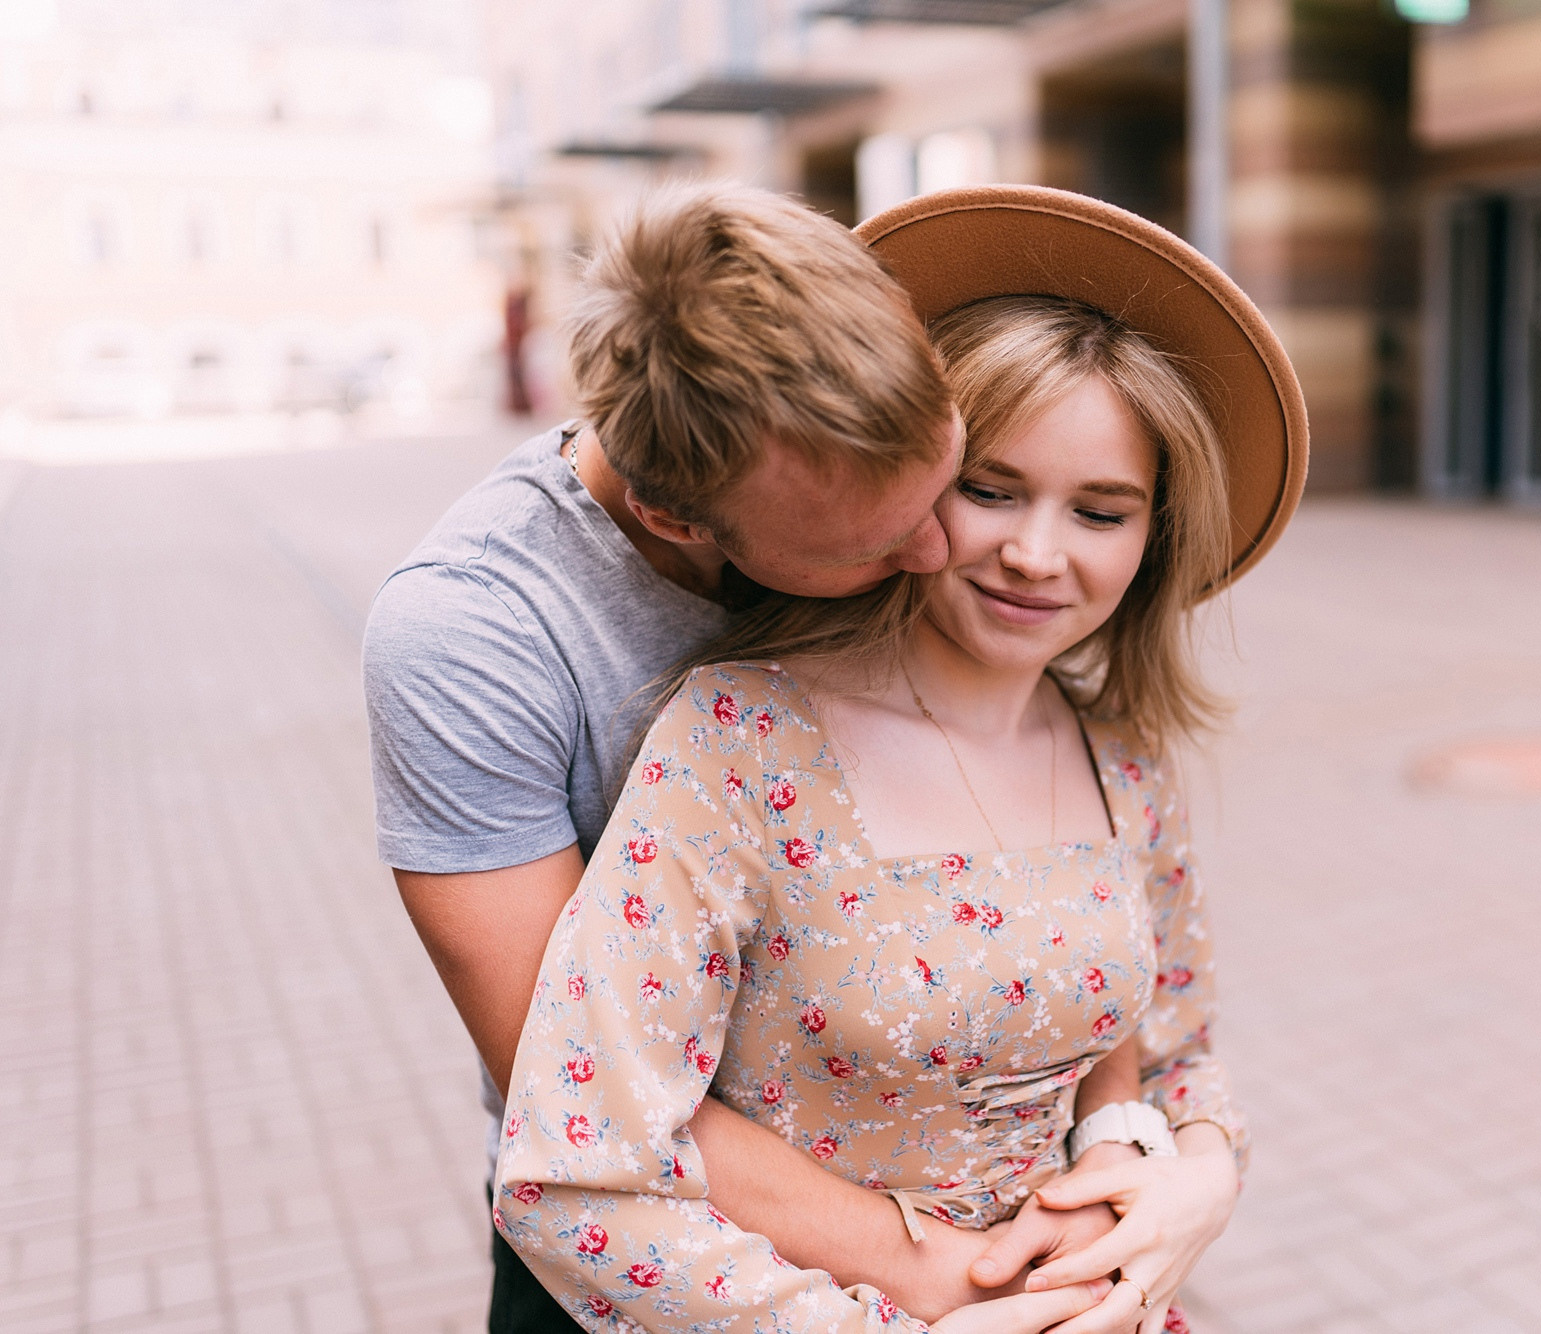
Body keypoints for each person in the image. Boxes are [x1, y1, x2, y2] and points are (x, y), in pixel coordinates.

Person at [492, 187, 1310, 1333]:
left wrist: (1196, 1177)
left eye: (1099, 511)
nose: (1034, 554)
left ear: (1154, 533)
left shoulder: (1121, 756)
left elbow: (1178, 1046)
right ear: (915, 478)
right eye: (991, 489)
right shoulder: (738, 744)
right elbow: (574, 1172)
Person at [366, 183, 1109, 1333]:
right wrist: (946, 1274)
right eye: (869, 548)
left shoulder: (868, 478)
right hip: (681, 1245)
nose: (937, 549)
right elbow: (575, 1083)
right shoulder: (474, 637)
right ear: (677, 519)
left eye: (947, 477)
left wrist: (1148, 1153)